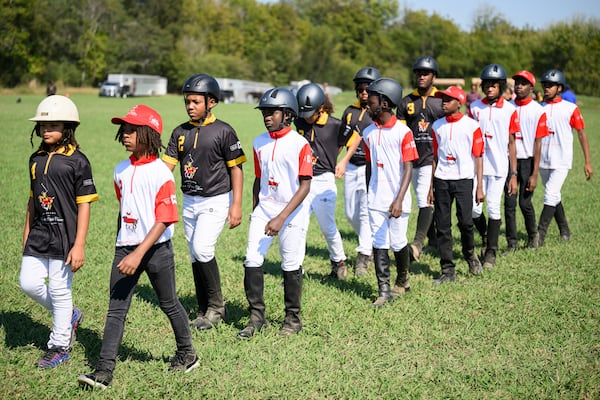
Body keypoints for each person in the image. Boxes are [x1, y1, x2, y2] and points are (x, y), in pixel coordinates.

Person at [78, 105, 198, 390]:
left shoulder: (161, 174)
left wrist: (137, 253)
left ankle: (187, 354)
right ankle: (103, 372)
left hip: (157, 250)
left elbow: (165, 218)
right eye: (124, 130)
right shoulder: (120, 170)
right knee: (116, 310)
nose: (125, 135)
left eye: (132, 130)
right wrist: (123, 245)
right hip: (126, 248)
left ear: (149, 135)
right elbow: (125, 209)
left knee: (169, 303)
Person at [162, 74, 246, 330]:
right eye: (187, 101)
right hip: (189, 200)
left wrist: (236, 205)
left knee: (202, 249)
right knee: (194, 255)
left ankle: (217, 308)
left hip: (217, 199)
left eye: (196, 101)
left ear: (211, 102)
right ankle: (203, 307)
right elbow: (166, 167)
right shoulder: (180, 132)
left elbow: (237, 170)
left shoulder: (224, 131)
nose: (190, 106)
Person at [20, 95, 98, 368]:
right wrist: (26, 233)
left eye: (52, 124)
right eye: (42, 125)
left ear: (68, 127)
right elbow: (32, 201)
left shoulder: (78, 161)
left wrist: (79, 245)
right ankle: (70, 315)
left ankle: (59, 346)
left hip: (65, 237)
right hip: (39, 234)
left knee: (60, 290)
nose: (45, 129)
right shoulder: (35, 159)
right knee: (27, 283)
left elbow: (85, 205)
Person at [238, 87, 313, 338]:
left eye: (272, 112)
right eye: (265, 112)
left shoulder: (300, 144)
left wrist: (282, 217)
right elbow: (258, 178)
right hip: (265, 208)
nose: (267, 116)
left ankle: (293, 319)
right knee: (251, 259)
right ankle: (256, 317)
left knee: (290, 264)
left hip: (292, 210)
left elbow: (305, 185)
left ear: (288, 114)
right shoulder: (259, 142)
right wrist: (255, 208)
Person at [362, 78, 418, 306]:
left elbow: (408, 167)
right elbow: (369, 166)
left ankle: (402, 280)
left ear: (384, 103)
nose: (366, 102)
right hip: (375, 198)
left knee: (397, 242)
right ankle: (383, 290)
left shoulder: (403, 132)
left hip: (398, 199)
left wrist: (399, 199)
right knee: (379, 242)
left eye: (371, 99)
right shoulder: (367, 133)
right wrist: (369, 192)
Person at [430, 86, 485, 284]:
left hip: (464, 179)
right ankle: (447, 269)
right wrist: (431, 186)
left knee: (466, 222)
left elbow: (478, 157)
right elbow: (434, 157)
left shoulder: (472, 126)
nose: (443, 102)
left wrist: (479, 186)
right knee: (442, 226)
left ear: (459, 103)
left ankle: (470, 255)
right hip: (442, 179)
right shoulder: (436, 126)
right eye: (442, 99)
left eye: (448, 99)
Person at [468, 64, 519, 269]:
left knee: (493, 208)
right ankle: (487, 235)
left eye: (494, 85)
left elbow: (512, 143)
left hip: (499, 167)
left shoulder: (510, 110)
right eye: (487, 84)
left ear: (501, 86)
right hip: (476, 167)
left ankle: (491, 252)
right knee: (473, 210)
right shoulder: (474, 108)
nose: (490, 88)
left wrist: (513, 174)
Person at [295, 83, 347, 279]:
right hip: (303, 180)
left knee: (327, 226)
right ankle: (294, 270)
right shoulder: (300, 122)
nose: (305, 117)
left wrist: (337, 160)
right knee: (298, 226)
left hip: (324, 180)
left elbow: (350, 140)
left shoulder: (335, 125)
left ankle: (339, 261)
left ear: (321, 108)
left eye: (310, 113)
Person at [396, 56, 444, 261]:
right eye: (418, 73)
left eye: (426, 73)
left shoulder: (441, 101)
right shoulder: (406, 101)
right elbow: (400, 133)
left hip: (430, 158)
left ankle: (416, 244)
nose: (421, 76)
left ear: (434, 76)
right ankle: (433, 240)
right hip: (409, 160)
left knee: (426, 199)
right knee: (416, 199)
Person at [537, 69, 593, 245]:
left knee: (550, 194)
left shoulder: (571, 109)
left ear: (559, 87)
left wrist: (588, 162)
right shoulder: (539, 108)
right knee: (554, 196)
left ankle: (539, 236)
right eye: (544, 85)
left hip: (562, 159)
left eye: (550, 85)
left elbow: (582, 134)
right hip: (543, 159)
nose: (546, 88)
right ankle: (565, 230)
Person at [335, 66, 381, 277]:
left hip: (369, 166)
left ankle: (363, 256)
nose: (364, 92)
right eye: (360, 89)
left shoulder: (378, 112)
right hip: (351, 165)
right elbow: (341, 138)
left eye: (367, 89)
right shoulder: (350, 112)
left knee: (364, 211)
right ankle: (368, 240)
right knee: (350, 212)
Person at [503, 71, 549, 252]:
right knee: (509, 203)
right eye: (517, 82)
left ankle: (533, 236)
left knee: (524, 203)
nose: (519, 86)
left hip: (528, 161)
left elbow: (538, 143)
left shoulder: (539, 110)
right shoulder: (507, 107)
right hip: (509, 161)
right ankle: (511, 243)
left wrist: (535, 174)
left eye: (523, 83)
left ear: (531, 87)